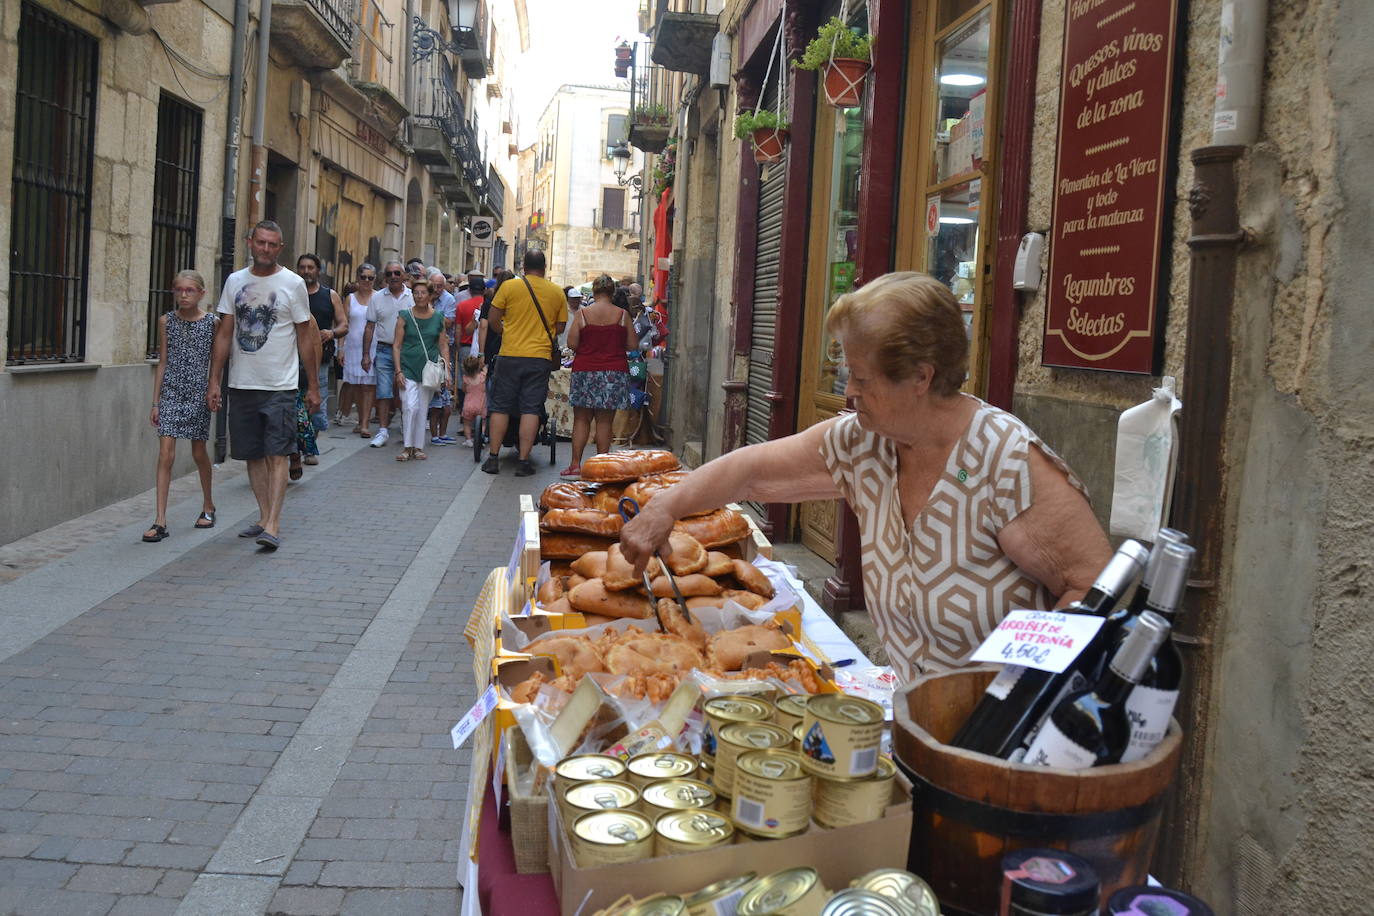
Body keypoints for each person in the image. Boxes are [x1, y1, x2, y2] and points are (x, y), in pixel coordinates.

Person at [620, 271, 1113, 680]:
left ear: (921, 377)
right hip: (918, 724)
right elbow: (749, 471)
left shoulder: (1003, 460)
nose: (849, 392)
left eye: (863, 378)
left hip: (1004, 741)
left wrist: (1017, 690)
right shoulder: (866, 442)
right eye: (846, 375)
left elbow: (1094, 589)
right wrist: (665, 507)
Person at [207, 220, 319, 552]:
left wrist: (313, 386)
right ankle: (263, 516)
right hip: (242, 383)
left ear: (280, 248)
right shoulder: (234, 281)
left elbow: (305, 336)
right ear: (250, 242)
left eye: (272, 244)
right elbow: (225, 333)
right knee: (252, 455)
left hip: (280, 385)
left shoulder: (293, 284)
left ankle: (273, 523)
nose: (266, 249)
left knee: (277, 452)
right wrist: (215, 380)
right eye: (261, 243)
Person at [143, 269, 217, 543]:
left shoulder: (213, 322)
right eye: (179, 290)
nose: (183, 295)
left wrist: (213, 387)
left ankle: (208, 505)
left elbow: (216, 360)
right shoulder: (167, 321)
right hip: (171, 391)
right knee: (166, 454)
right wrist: (155, 401)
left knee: (198, 451)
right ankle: (160, 519)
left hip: (198, 392)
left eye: (189, 290)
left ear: (201, 293)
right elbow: (162, 361)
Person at [481, 250, 567, 477]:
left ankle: (492, 459)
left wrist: (507, 332)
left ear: (523, 266)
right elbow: (560, 328)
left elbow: (492, 319)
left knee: (500, 406)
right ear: (545, 267)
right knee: (531, 408)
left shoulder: (509, 287)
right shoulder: (557, 292)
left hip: (509, 354)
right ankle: (523, 462)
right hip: (539, 357)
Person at [563, 274, 637, 477]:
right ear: (612, 292)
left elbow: (572, 344)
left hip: (586, 370)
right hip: (613, 372)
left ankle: (575, 465)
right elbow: (632, 345)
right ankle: (601, 468)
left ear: (594, 292)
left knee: (581, 419)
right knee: (605, 421)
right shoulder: (622, 315)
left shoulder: (583, 314)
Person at [391, 277, 449, 462]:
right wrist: (398, 371)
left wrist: (446, 371)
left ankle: (417, 447)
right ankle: (407, 447)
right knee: (409, 406)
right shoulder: (404, 315)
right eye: (416, 292)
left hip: (428, 370)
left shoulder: (438, 317)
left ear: (430, 295)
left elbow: (443, 345)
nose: (419, 296)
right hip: (408, 367)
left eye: (423, 292)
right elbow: (397, 345)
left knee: (422, 408)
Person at [296, 253, 346, 453]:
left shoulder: (329, 295)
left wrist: (331, 332)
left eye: (310, 267)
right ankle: (296, 448)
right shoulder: (291, 293)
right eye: (302, 267)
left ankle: (310, 447)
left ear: (318, 270)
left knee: (317, 402)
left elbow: (344, 325)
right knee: (294, 402)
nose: (306, 271)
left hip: (320, 360)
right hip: (292, 358)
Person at [362, 260, 413, 447]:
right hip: (384, 348)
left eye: (397, 273)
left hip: (407, 350)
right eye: (389, 273)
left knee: (406, 391)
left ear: (404, 276)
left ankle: (405, 425)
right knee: (383, 391)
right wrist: (366, 354)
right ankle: (383, 430)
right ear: (385, 277)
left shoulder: (412, 297)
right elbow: (369, 327)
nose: (393, 277)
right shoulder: (377, 298)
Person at [338, 263, 378, 437]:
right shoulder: (350, 299)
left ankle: (364, 424)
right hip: (352, 346)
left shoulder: (379, 297)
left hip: (373, 346)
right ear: (358, 278)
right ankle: (361, 419)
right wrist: (340, 348)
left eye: (370, 278)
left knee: (368, 385)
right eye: (363, 277)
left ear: (375, 279)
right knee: (355, 385)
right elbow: (343, 324)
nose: (367, 281)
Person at [426, 267, 459, 446]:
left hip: (443, 348)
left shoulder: (448, 299)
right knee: (435, 405)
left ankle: (443, 433)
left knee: (446, 405)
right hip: (427, 351)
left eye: (441, 286)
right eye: (435, 286)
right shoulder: (424, 298)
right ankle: (434, 435)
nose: (438, 289)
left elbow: (448, 322)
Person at [459, 355, 487, 446]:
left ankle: (469, 440)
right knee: (483, 423)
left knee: (467, 424)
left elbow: (464, 389)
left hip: (468, 405)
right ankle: (481, 439)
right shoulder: (483, 377)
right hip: (481, 404)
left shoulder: (465, 379)